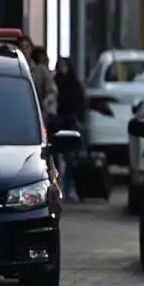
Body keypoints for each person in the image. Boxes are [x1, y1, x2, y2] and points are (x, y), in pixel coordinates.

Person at [53, 58, 86, 203]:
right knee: (56, 159)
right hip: (57, 123)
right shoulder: (55, 82)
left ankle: (70, 189)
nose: (62, 69)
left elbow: (80, 104)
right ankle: (60, 189)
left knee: (70, 159)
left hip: (70, 123)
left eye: (64, 66)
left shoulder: (74, 84)